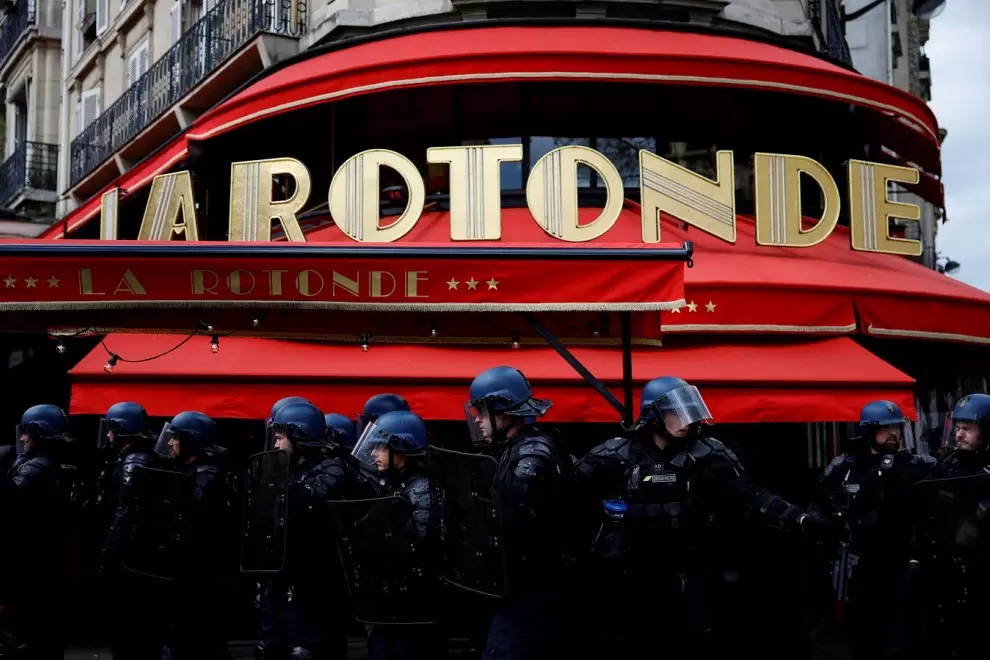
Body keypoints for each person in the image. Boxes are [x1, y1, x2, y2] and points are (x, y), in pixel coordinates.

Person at [574, 376, 819, 660]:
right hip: (630, 575)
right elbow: (567, 492)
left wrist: (800, 519)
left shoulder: (708, 454)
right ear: (654, 416)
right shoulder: (616, 454)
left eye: (689, 412)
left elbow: (751, 495)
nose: (687, 421)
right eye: (677, 413)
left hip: (690, 572)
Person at [460, 366, 573, 660]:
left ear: (505, 412)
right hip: (509, 585)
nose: (477, 420)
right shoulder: (505, 447)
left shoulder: (532, 450)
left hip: (531, 588)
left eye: (482, 412)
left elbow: (517, 512)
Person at [809, 401, 934, 660]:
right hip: (861, 563)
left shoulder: (915, 466)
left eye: (896, 428)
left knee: (901, 633)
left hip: (902, 561)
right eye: (885, 428)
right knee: (862, 634)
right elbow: (819, 504)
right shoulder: (845, 467)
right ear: (869, 431)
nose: (894, 434)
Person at [257, 401, 349, 660]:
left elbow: (307, 502)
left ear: (299, 436)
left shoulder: (331, 469)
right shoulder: (287, 469)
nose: (275, 445)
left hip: (315, 578)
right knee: (273, 643)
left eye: (279, 439)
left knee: (306, 647)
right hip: (284, 571)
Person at [347, 409, 441, 660]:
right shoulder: (393, 482)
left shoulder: (421, 488)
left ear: (401, 447)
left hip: (412, 602)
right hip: (391, 597)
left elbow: (416, 543)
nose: (374, 454)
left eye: (380, 447)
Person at [901, 393, 990, 660]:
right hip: (949, 574)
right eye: (957, 428)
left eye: (967, 429)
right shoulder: (946, 466)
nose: (959, 435)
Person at [95, 402, 169, 660]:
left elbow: (122, 512)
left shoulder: (133, 462)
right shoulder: (140, 458)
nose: (107, 435)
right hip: (140, 557)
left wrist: (107, 555)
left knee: (129, 628)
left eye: (111, 429)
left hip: (131, 558)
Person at [157, 411, 229, 660]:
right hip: (187, 567)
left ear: (190, 440)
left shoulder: (205, 475)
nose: (169, 442)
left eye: (175, 437)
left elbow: (190, 520)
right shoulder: (189, 471)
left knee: (198, 632)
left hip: (198, 569)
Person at [2, 404, 71, 659]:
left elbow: (11, 508)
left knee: (28, 637)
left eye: (27, 433)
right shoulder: (57, 466)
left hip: (30, 566)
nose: (23, 438)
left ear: (40, 434)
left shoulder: (36, 469)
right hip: (48, 565)